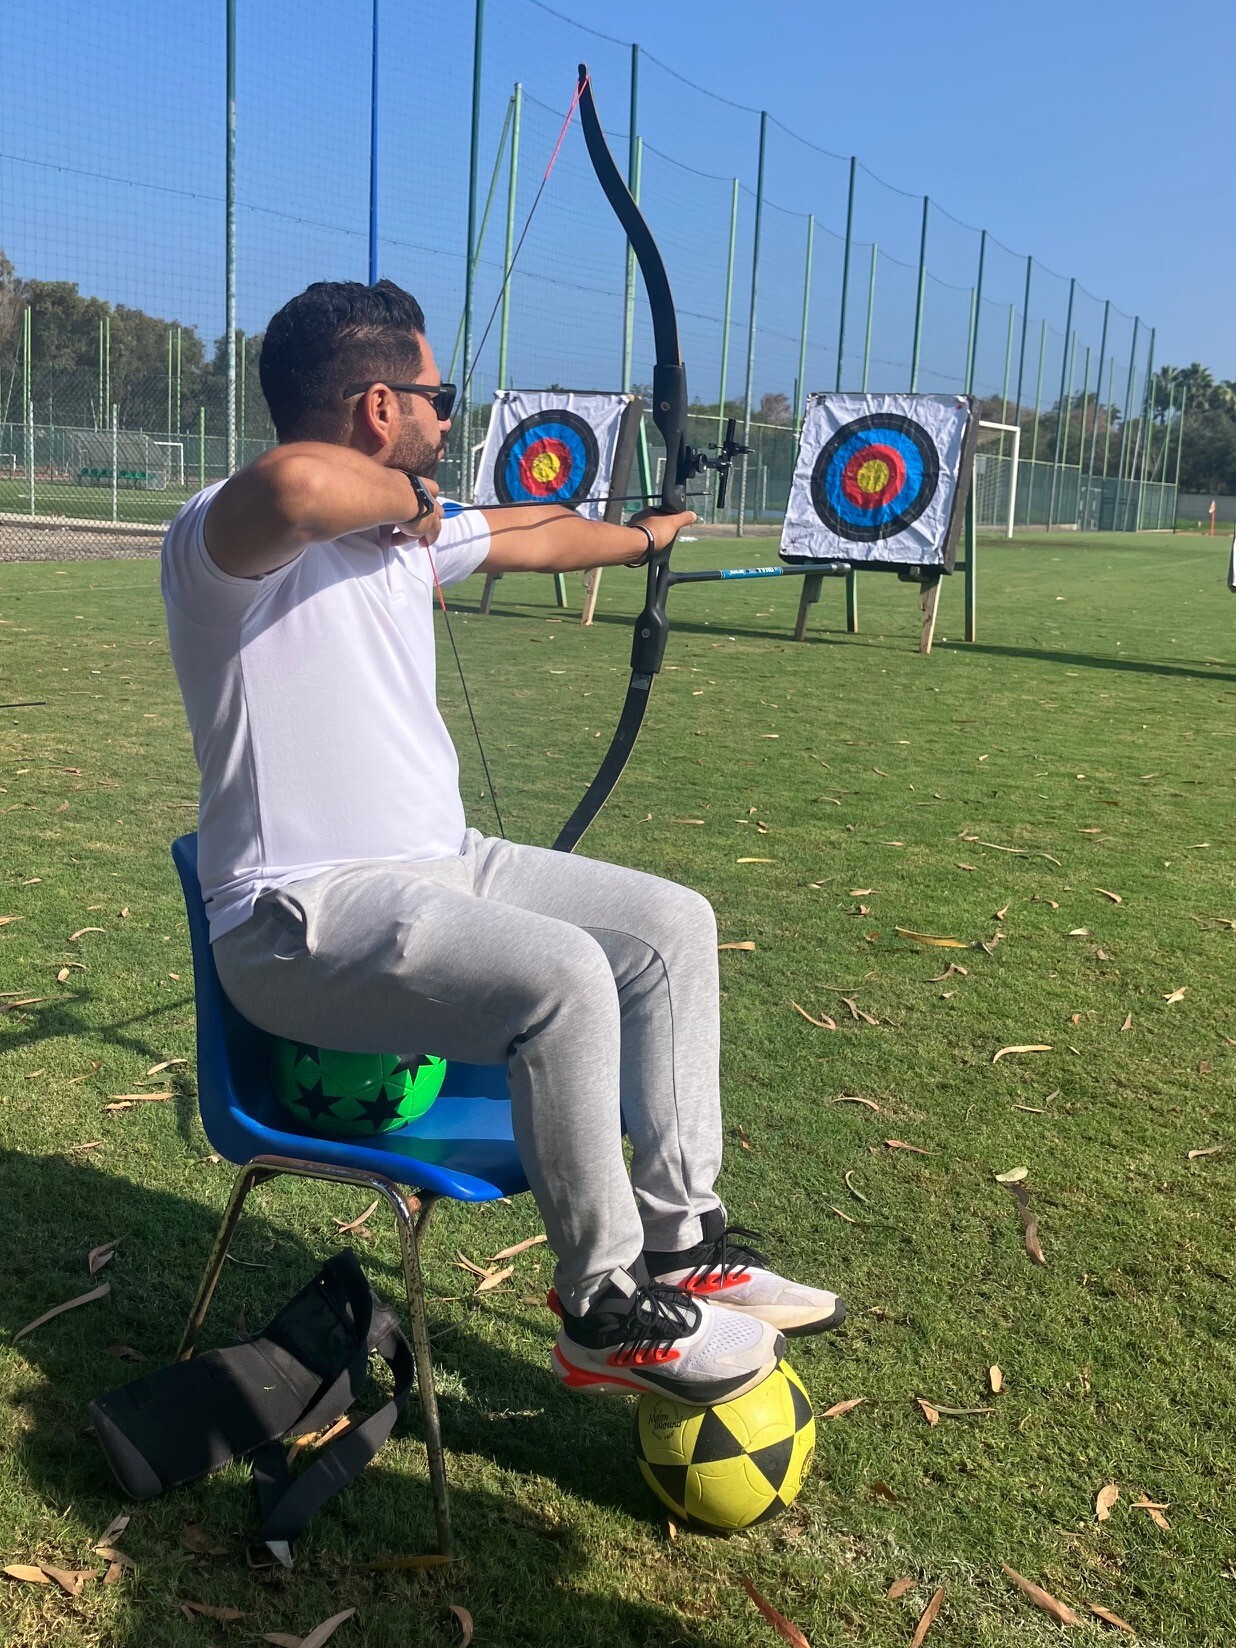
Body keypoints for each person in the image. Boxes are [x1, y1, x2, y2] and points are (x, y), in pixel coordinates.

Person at [161, 279, 844, 1406]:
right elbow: (295, 481)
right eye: (437, 395)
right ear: (380, 408)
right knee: (565, 975)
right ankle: (603, 1306)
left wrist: (643, 534)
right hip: (299, 918)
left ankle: (683, 1239)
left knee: (672, 926)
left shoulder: (399, 536)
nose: (450, 416)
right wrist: (407, 504)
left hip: (442, 862)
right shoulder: (221, 544)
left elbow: (536, 535)